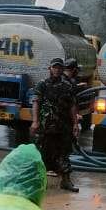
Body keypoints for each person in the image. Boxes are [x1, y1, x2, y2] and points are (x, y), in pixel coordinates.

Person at [31, 57, 79, 192]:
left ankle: (66, 181)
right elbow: (36, 103)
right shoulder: (43, 84)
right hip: (46, 126)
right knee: (42, 154)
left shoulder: (68, 86)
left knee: (64, 153)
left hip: (64, 126)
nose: (57, 70)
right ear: (50, 68)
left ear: (62, 69)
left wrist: (75, 124)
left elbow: (73, 106)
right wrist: (35, 122)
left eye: (59, 68)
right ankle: (39, 182)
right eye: (54, 67)